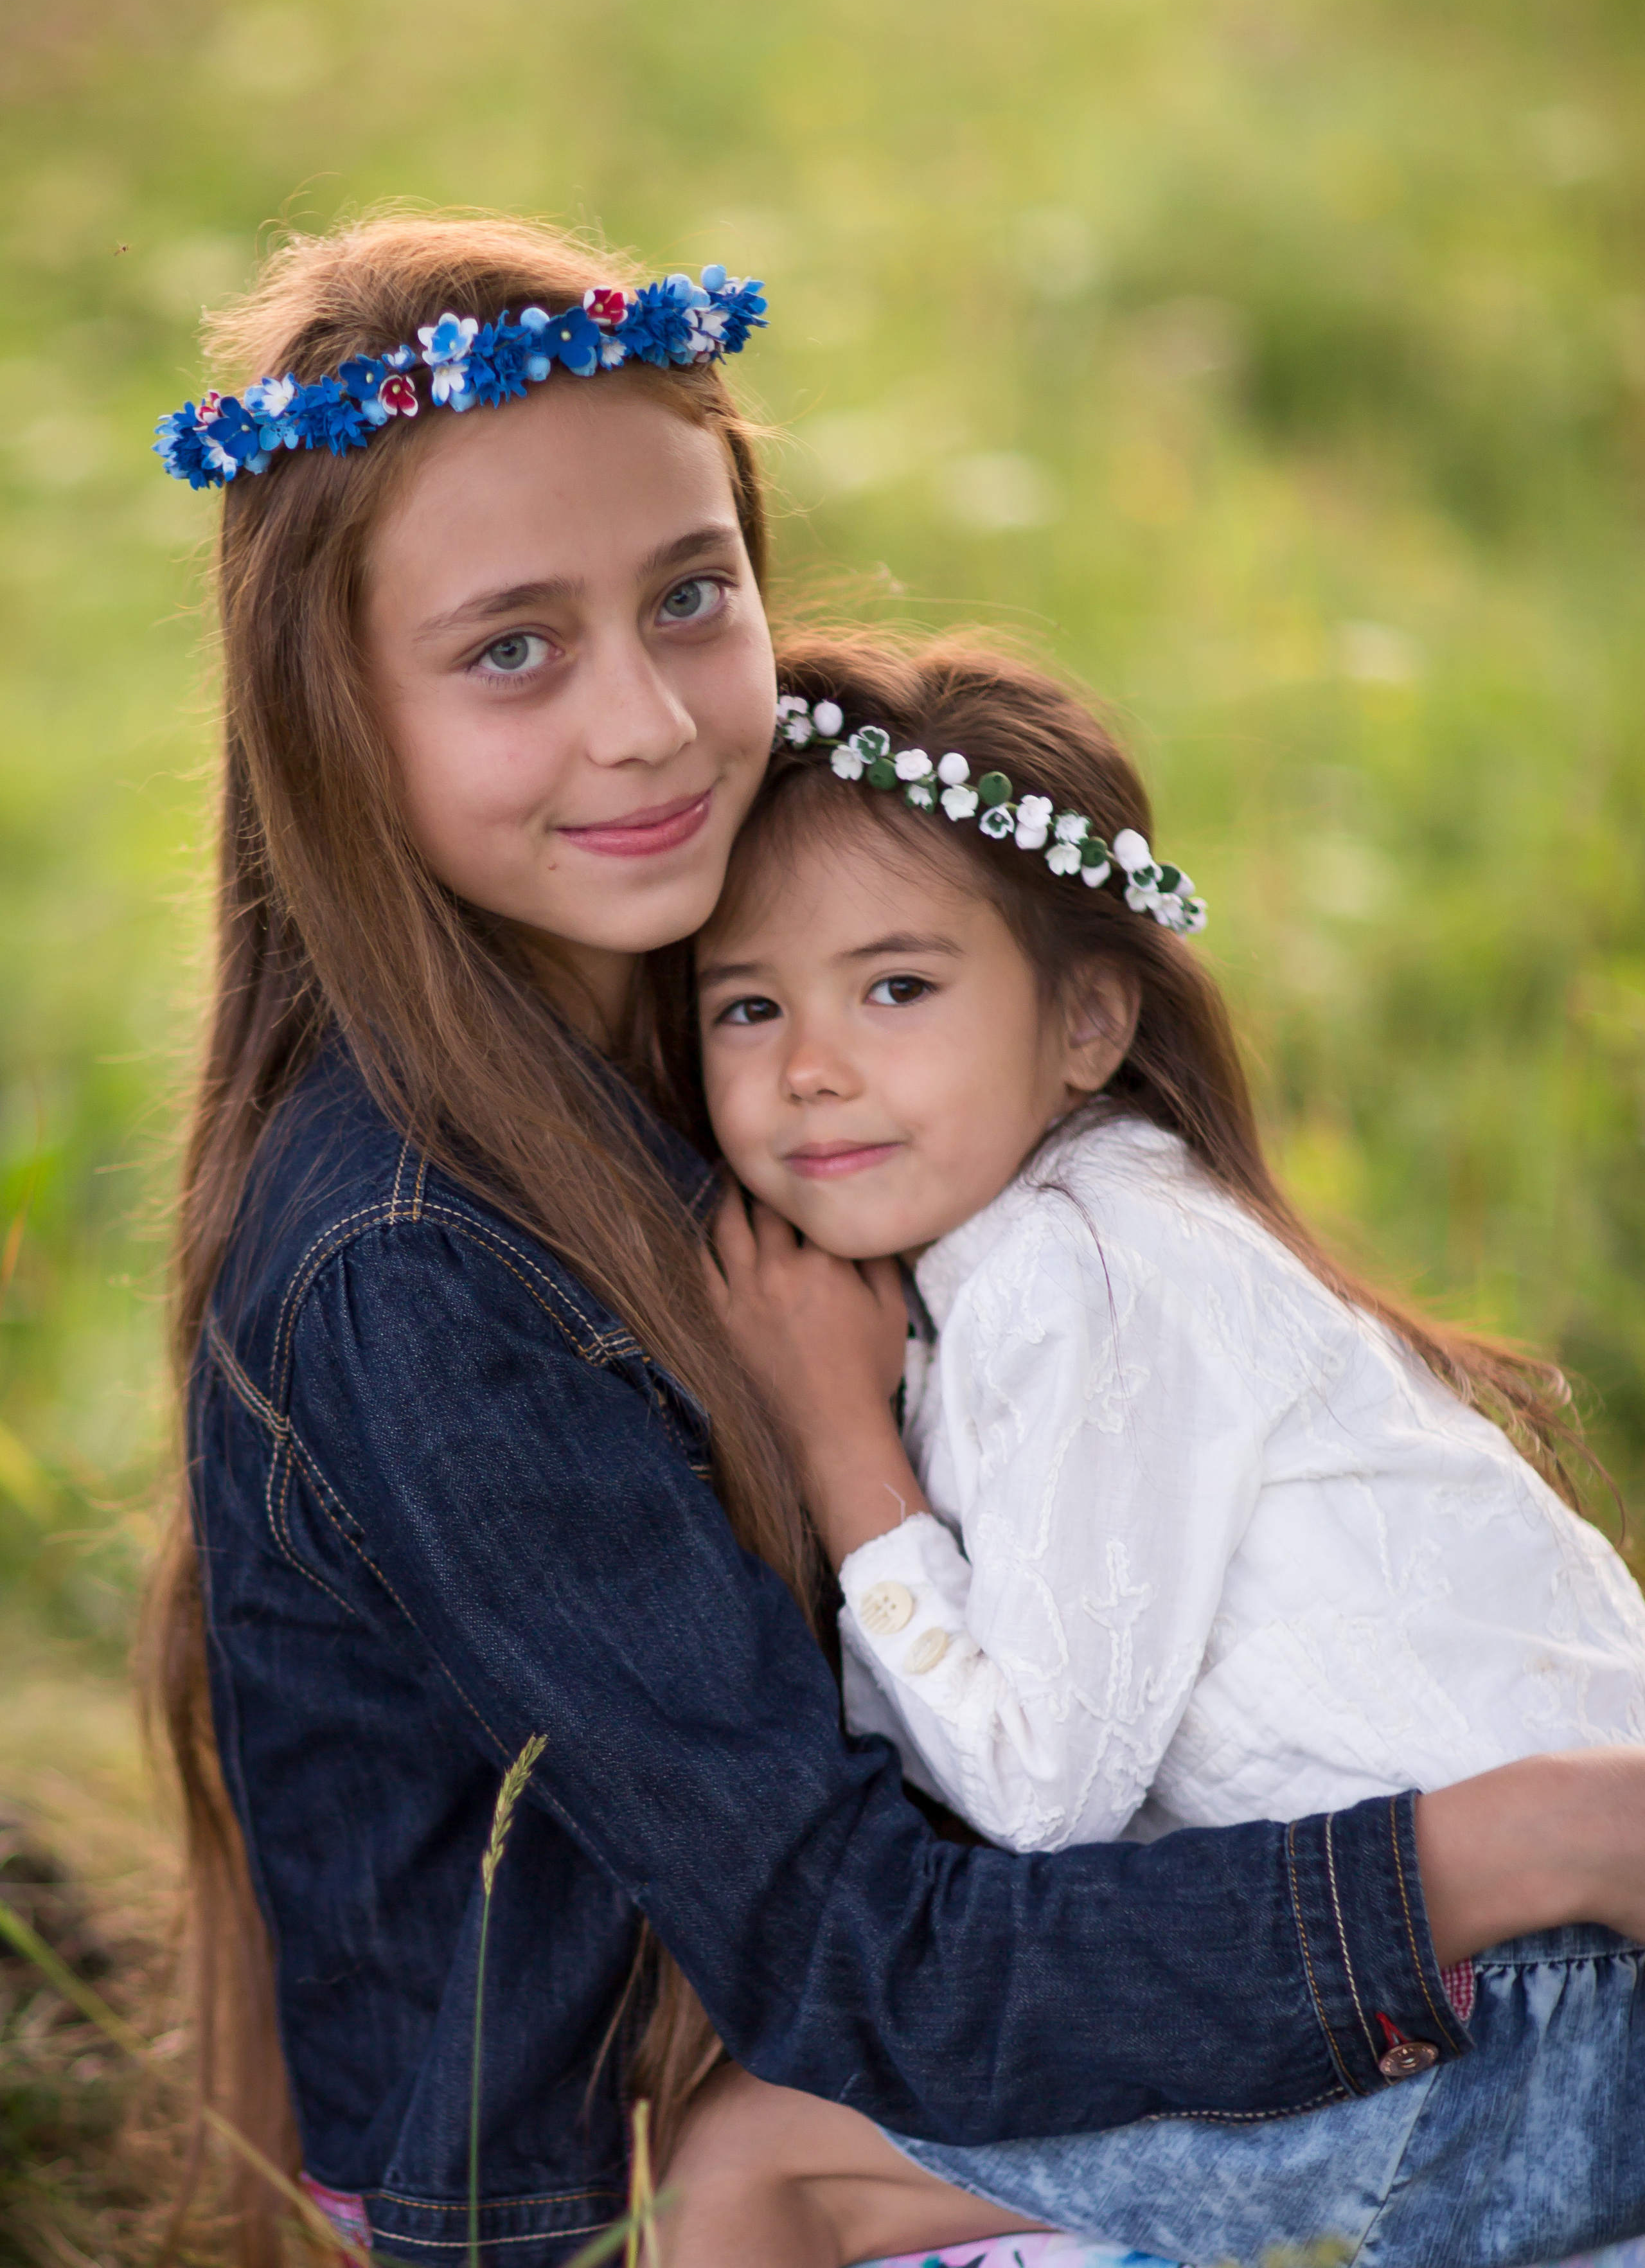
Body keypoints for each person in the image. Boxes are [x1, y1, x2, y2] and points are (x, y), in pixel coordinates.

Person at [141, 210, 1645, 2268]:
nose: (652, 723)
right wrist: (1511, 1838)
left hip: (860, 2068)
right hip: (639, 2186)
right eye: (513, 649)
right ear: (332, 715)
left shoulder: (738, 1029)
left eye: (691, 597)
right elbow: (887, 1969)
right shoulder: (410, 1267)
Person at [668, 633, 1645, 2266]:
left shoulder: (1087, 1271)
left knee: (743, 2165)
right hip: (1504, 1987)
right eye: (746, 1006)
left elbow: (1035, 1796)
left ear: (1086, 1022)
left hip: (1530, 2010)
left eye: (895, 988)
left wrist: (839, 1443)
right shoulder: (1039, 1254)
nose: (809, 1067)